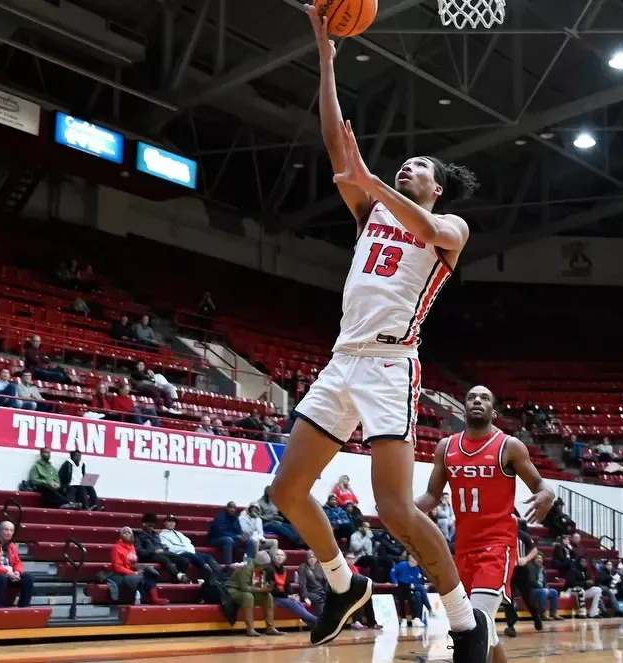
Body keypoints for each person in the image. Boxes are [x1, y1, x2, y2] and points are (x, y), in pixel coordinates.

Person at [266, 5, 487, 659]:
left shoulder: (451, 228)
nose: (407, 168)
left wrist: (369, 182)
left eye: (420, 166)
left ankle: (463, 622)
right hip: (343, 361)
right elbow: (338, 143)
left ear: (438, 188)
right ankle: (343, 583)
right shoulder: (369, 208)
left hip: (393, 364)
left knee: (394, 507)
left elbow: (428, 230)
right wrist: (326, 56)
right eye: (405, 163)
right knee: (284, 489)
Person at [415, 385, 556, 662]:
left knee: (474, 625)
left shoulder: (509, 446)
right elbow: (431, 496)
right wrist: (399, 510)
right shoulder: (446, 447)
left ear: (493, 410)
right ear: (464, 407)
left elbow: (541, 485)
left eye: (484, 398)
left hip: (496, 545)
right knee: (484, 631)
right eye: (471, 397)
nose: (477, 400)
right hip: (463, 548)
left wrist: (546, 494)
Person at [228, 550, 284, 636]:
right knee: (248, 596)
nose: (266, 567)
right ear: (260, 564)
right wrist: (261, 590)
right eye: (265, 565)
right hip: (233, 590)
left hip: (247, 591)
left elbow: (257, 586)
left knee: (268, 596)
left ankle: (270, 627)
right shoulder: (247, 568)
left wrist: (267, 588)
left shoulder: (262, 571)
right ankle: (250, 628)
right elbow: (244, 587)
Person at [108, 526, 167, 604]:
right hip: (119, 574)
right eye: (124, 532)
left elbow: (132, 563)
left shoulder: (132, 547)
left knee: (150, 572)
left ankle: (154, 598)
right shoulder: (116, 548)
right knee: (138, 577)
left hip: (131, 571)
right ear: (121, 536)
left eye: (129, 532)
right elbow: (118, 567)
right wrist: (134, 573)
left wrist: (143, 568)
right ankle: (137, 598)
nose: (127, 534)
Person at [157, 515, 221, 581]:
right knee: (197, 559)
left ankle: (218, 575)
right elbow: (170, 548)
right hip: (179, 554)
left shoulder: (179, 534)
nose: (171, 523)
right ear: (165, 523)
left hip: (190, 552)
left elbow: (189, 543)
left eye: (173, 522)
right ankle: (209, 575)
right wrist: (185, 549)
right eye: (169, 521)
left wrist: (188, 549)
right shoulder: (162, 535)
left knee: (208, 557)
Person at [269, 549, 319, 626]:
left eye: (281, 555)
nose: (279, 557)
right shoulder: (270, 569)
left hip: (283, 596)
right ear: (273, 557)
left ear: (284, 558)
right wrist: (288, 596)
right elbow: (273, 589)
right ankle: (318, 621)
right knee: (291, 602)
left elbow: (287, 586)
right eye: (277, 555)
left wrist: (292, 595)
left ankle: (313, 625)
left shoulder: (284, 569)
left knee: (298, 602)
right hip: (273, 597)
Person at [134, 513, 188, 583]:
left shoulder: (155, 535)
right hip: (148, 556)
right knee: (163, 559)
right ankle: (178, 575)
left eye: (153, 526)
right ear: (144, 524)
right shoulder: (138, 535)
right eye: (150, 525)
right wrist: (154, 552)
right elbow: (139, 551)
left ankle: (177, 579)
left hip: (161, 553)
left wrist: (164, 549)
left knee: (183, 560)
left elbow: (160, 545)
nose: (151, 528)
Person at [390, 554, 434, 626]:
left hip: (411, 587)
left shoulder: (417, 569)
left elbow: (416, 580)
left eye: (415, 562)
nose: (413, 564)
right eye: (411, 562)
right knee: (420, 589)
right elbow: (392, 572)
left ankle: (417, 619)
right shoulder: (402, 565)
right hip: (402, 586)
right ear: (409, 560)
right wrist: (395, 581)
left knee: (419, 593)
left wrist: (413, 583)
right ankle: (429, 609)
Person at [526, 552, 559, 620]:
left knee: (554, 592)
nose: (539, 560)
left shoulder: (542, 568)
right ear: (534, 559)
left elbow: (545, 581)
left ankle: (553, 613)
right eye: (537, 558)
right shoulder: (530, 567)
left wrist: (547, 588)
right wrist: (543, 589)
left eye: (541, 558)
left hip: (540, 589)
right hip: (531, 590)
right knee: (543, 592)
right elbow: (532, 581)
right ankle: (542, 614)